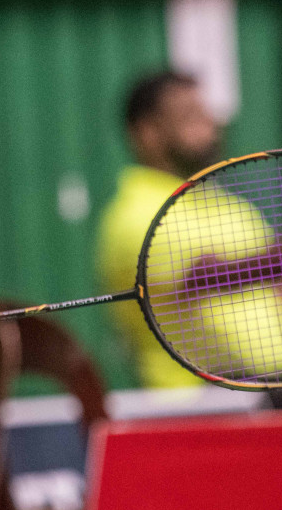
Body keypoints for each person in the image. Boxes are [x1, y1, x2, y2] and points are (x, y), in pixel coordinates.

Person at [96, 71, 224, 388]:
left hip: (277, 394)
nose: (210, 125)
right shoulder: (134, 213)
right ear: (148, 133)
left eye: (208, 113)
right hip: (192, 404)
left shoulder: (225, 202)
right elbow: (207, 276)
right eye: (190, 116)